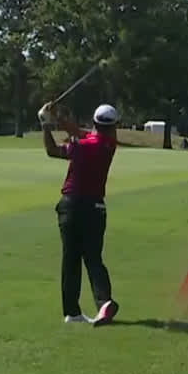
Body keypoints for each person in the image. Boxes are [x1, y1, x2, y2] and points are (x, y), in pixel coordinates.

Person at [39, 100, 122, 327]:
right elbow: (79, 132)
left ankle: (72, 312)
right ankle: (104, 302)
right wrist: (58, 118)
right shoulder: (109, 143)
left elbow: (52, 151)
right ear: (114, 126)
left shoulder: (83, 146)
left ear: (95, 122)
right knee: (94, 258)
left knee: (71, 259)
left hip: (72, 206)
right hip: (96, 208)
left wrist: (46, 124)